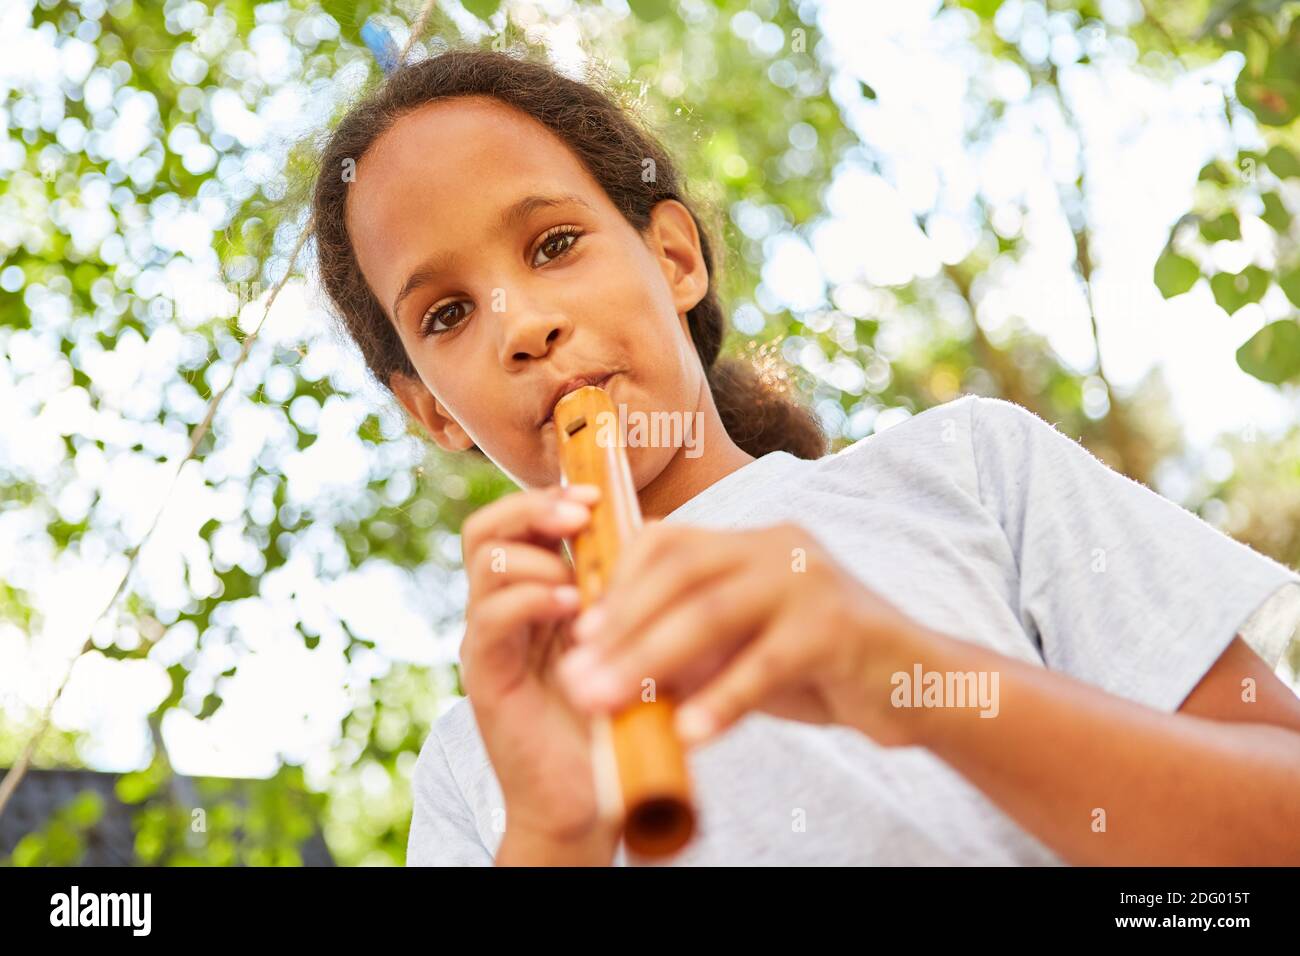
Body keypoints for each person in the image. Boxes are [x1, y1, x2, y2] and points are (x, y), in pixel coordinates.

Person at [309, 48, 1300, 866]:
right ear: (431, 411)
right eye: (446, 313)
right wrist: (554, 835)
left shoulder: (968, 468)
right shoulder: (473, 755)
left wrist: (904, 672)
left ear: (673, 257)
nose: (520, 324)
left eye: (554, 243)